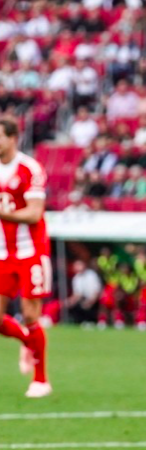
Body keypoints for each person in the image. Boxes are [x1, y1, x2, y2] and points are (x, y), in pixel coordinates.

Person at [0, 116, 53, 398]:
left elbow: (34, 213)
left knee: (31, 314)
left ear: (12, 138)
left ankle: (41, 380)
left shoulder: (29, 168)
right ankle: (27, 340)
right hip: (2, 253)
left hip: (30, 251)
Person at [66, 259, 102, 325]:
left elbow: (97, 291)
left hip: (94, 298)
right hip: (83, 299)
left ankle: (91, 321)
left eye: (79, 265)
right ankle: (79, 322)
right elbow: (77, 294)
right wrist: (70, 301)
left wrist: (90, 301)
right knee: (73, 305)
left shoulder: (92, 275)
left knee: (87, 306)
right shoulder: (76, 278)